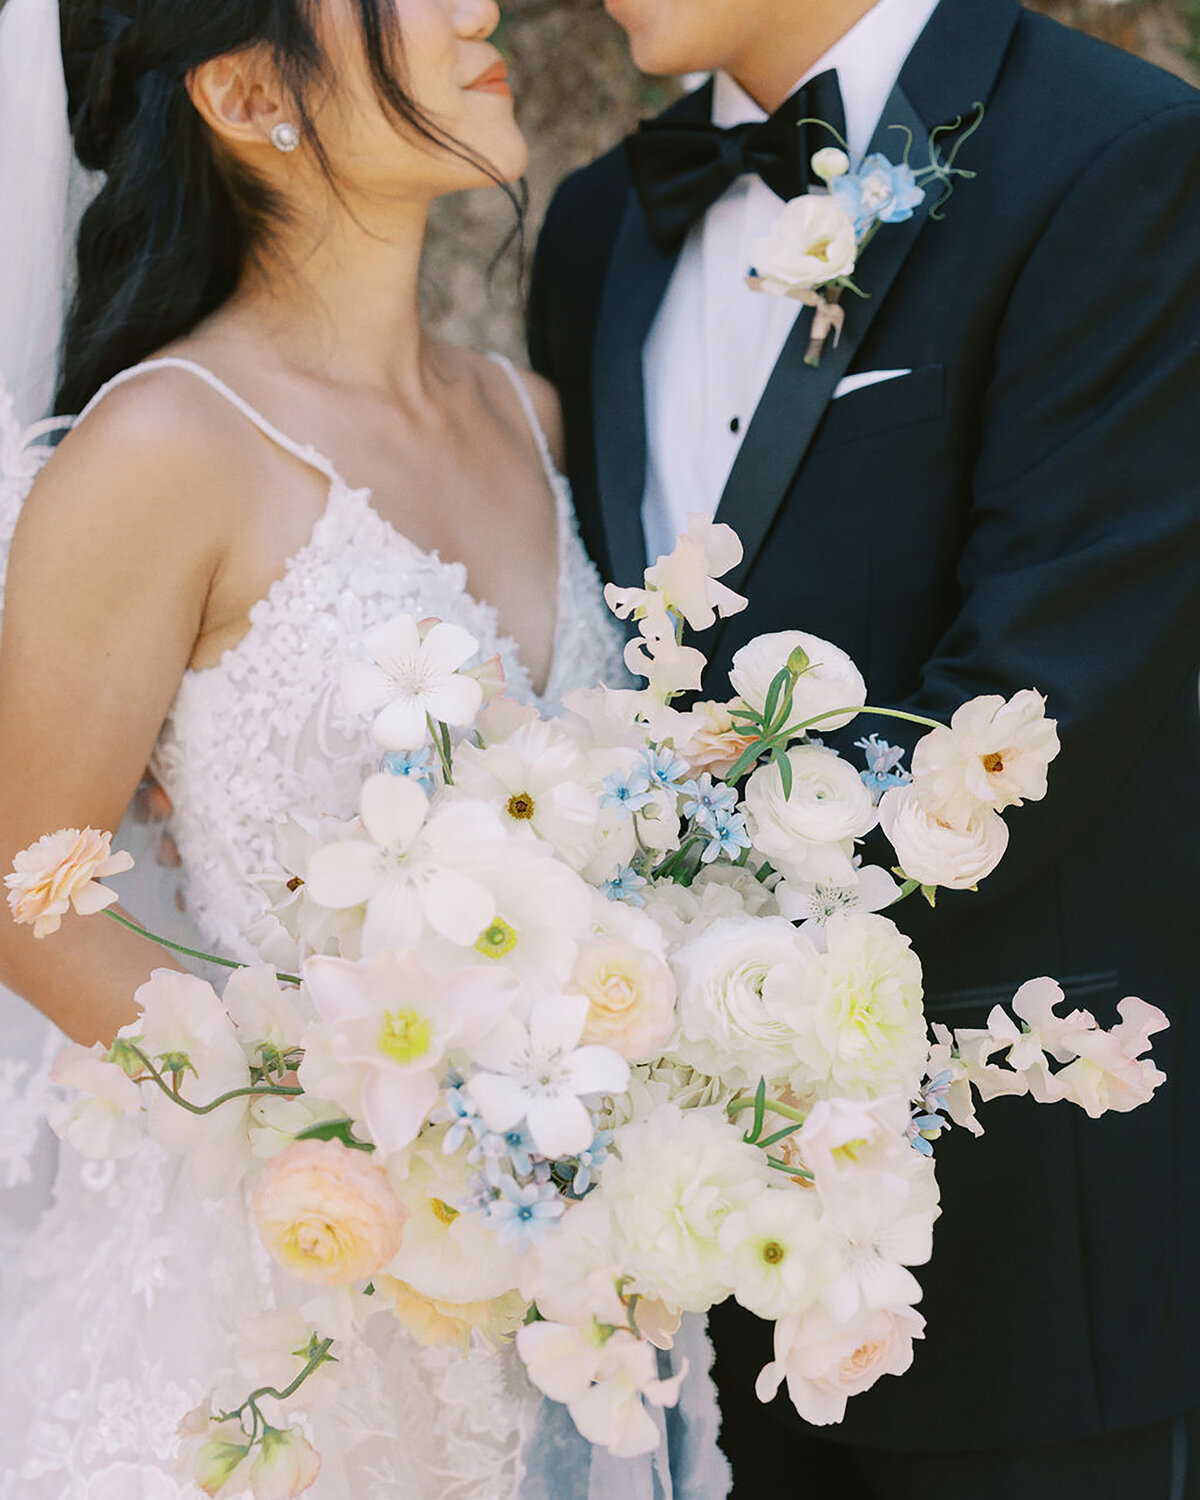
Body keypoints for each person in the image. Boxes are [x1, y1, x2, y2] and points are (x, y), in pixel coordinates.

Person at [0, 0, 729, 1495]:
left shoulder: (527, 416)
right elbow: (30, 892)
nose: (482, 9)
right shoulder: (162, 448)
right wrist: (376, 1122)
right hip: (277, 1313)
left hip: (554, 1299)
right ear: (248, 89)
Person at [528, 0, 1200, 1494]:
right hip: (672, 1275)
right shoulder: (598, 224)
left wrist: (706, 1001)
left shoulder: (1116, 161)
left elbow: (1044, 709)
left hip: (1014, 1242)